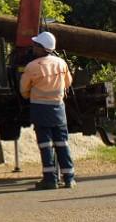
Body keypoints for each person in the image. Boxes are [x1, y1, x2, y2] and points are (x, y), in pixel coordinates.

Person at [19, 31, 75, 190]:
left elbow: (23, 90)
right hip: (58, 109)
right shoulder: (61, 63)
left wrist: (32, 95)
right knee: (62, 144)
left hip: (40, 109)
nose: (33, 48)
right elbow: (68, 83)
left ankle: (50, 180)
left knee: (45, 145)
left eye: (36, 45)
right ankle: (69, 178)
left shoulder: (32, 66)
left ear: (42, 48)